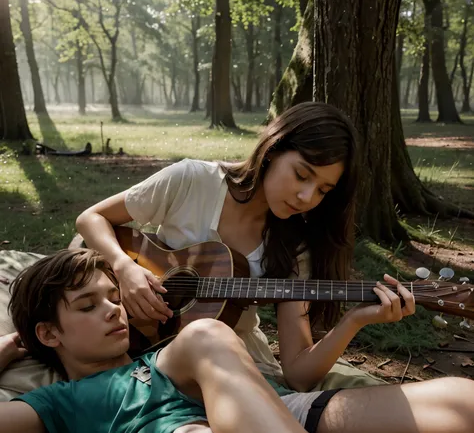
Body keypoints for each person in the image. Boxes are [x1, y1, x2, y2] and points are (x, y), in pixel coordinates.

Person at [76, 101, 474, 432]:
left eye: (323, 190)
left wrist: (355, 321)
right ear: (273, 148)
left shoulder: (294, 247)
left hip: (237, 369)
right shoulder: (192, 181)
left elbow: (299, 374)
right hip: (153, 352)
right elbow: (91, 219)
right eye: (302, 175)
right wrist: (123, 269)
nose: (306, 197)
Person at [0, 248, 307, 433]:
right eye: (88, 306)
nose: (113, 311)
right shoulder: (59, 401)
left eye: (114, 298)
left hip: (285, 410)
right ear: (49, 333)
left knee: (205, 333)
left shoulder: (167, 358)